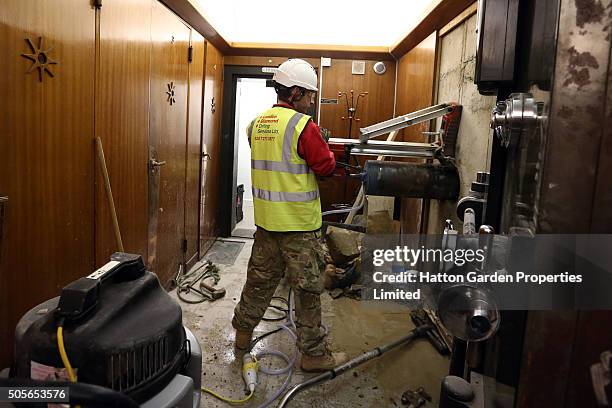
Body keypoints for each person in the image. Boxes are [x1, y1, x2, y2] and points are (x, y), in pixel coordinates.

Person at [231, 59, 345, 372]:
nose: (311, 101)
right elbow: (325, 167)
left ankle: (241, 339)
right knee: (307, 291)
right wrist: (328, 151)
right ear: (294, 92)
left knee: (257, 284)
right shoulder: (302, 126)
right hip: (299, 228)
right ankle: (313, 355)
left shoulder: (256, 124)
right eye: (309, 94)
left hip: (267, 226)